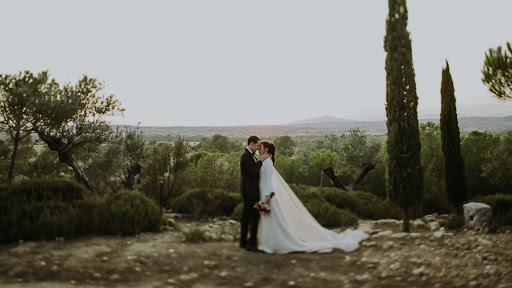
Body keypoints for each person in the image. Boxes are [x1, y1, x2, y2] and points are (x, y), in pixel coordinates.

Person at [257, 141, 368, 254]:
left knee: (273, 217)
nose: (258, 149)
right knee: (270, 217)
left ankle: (276, 242)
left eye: (260, 147)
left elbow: (268, 181)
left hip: (268, 194)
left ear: (266, 150)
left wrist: (267, 196)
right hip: (265, 193)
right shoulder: (265, 161)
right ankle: (268, 241)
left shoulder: (267, 163)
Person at [239, 136, 268, 252]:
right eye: (257, 145)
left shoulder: (250, 155)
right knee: (254, 217)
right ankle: (251, 244)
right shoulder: (246, 156)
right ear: (251, 143)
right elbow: (253, 172)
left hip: (249, 191)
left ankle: (243, 242)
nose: (258, 148)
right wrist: (261, 160)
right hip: (250, 192)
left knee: (246, 217)